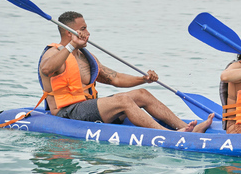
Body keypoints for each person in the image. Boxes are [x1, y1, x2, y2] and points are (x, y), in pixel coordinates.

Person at [39, 11, 213, 133]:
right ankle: (172, 136)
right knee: (122, 99)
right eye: (83, 29)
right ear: (69, 33)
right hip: (66, 112)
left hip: (89, 108)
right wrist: (71, 46)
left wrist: (143, 79)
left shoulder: (84, 55)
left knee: (141, 94)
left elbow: (115, 78)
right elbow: (46, 69)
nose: (88, 33)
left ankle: (184, 127)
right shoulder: (54, 52)